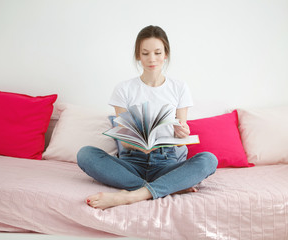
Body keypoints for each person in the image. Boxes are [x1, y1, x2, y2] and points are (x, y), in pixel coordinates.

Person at [77, 25, 218, 210]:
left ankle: (132, 196)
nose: (152, 59)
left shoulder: (179, 87)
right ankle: (169, 186)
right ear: (138, 55)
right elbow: (124, 141)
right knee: (85, 154)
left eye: (158, 53)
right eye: (145, 53)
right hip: (131, 162)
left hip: (165, 162)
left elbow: (180, 140)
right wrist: (136, 143)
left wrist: (181, 133)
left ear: (166, 54)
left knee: (209, 160)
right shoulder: (124, 89)